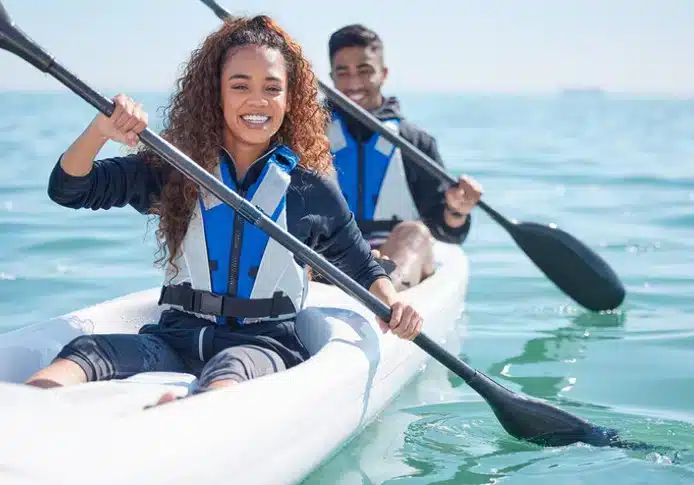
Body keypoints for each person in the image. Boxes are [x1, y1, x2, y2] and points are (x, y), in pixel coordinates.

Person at [25, 16, 423, 405]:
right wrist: (99, 132)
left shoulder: (310, 189)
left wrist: (395, 303)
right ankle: (23, 413)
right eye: (239, 85)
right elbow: (70, 189)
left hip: (264, 346)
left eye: (272, 87)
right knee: (86, 349)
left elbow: (362, 265)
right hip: (174, 338)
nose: (257, 100)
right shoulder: (175, 168)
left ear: (290, 98)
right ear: (215, 93)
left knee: (230, 366)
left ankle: (182, 418)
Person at [326, 24, 483, 290]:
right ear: (331, 77)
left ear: (383, 74)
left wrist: (456, 210)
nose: (353, 83)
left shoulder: (414, 142)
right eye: (343, 73)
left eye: (364, 71)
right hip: (331, 255)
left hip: (394, 259)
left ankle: (381, 294)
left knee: (416, 233)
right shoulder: (309, 136)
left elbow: (445, 229)